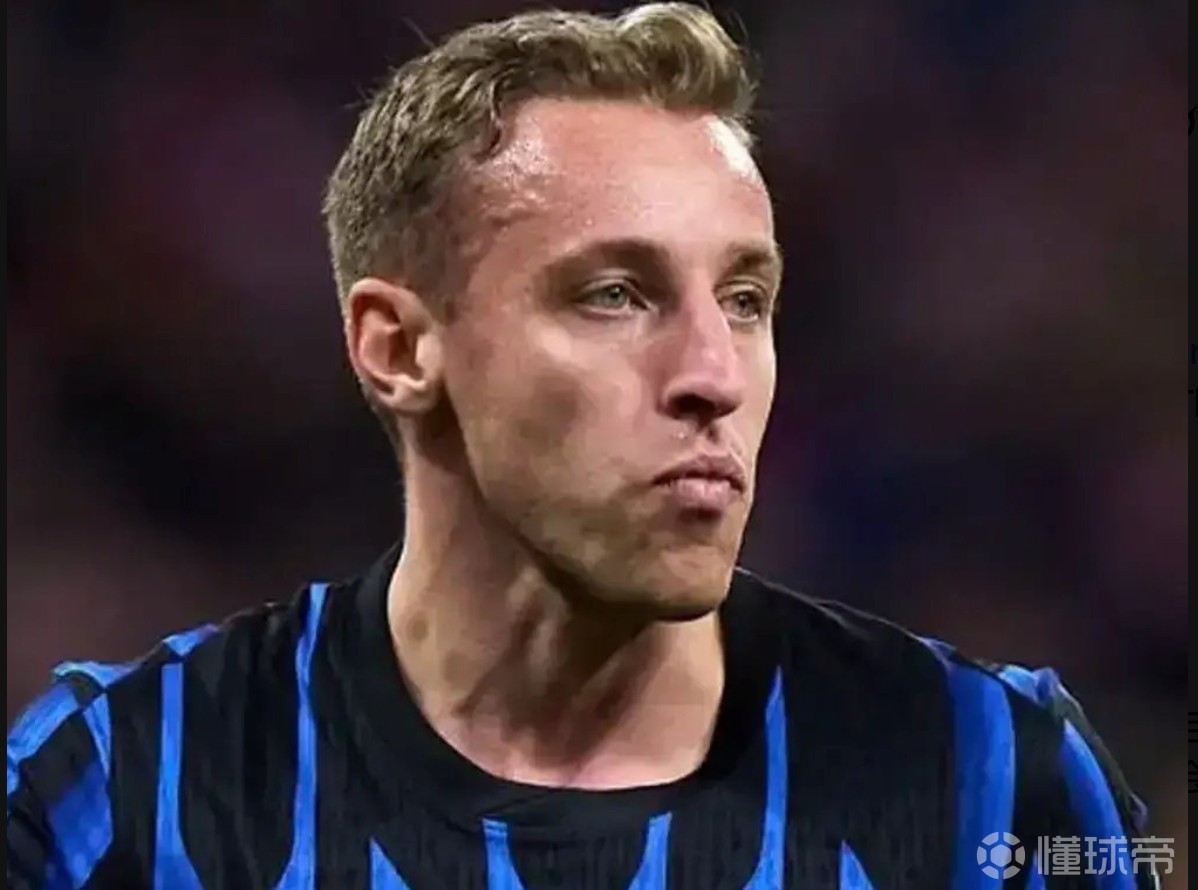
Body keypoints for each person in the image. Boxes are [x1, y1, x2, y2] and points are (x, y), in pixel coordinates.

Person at [6, 4, 1163, 888]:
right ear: (399, 347)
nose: (713, 374)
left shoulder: (990, 779)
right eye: (614, 294)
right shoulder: (123, 786)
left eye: (746, 299)